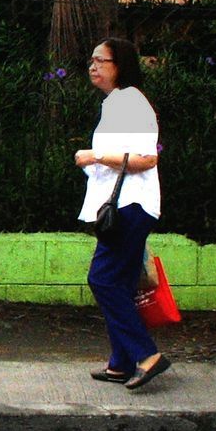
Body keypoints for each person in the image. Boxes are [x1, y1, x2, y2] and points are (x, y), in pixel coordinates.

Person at [74, 37, 169, 390]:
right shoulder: (118, 102)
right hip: (127, 207)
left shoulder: (128, 101)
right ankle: (121, 362)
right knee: (122, 283)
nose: (93, 66)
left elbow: (147, 158)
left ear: (120, 65)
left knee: (103, 280)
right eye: (92, 60)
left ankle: (147, 355)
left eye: (102, 60)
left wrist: (93, 156)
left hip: (129, 207)